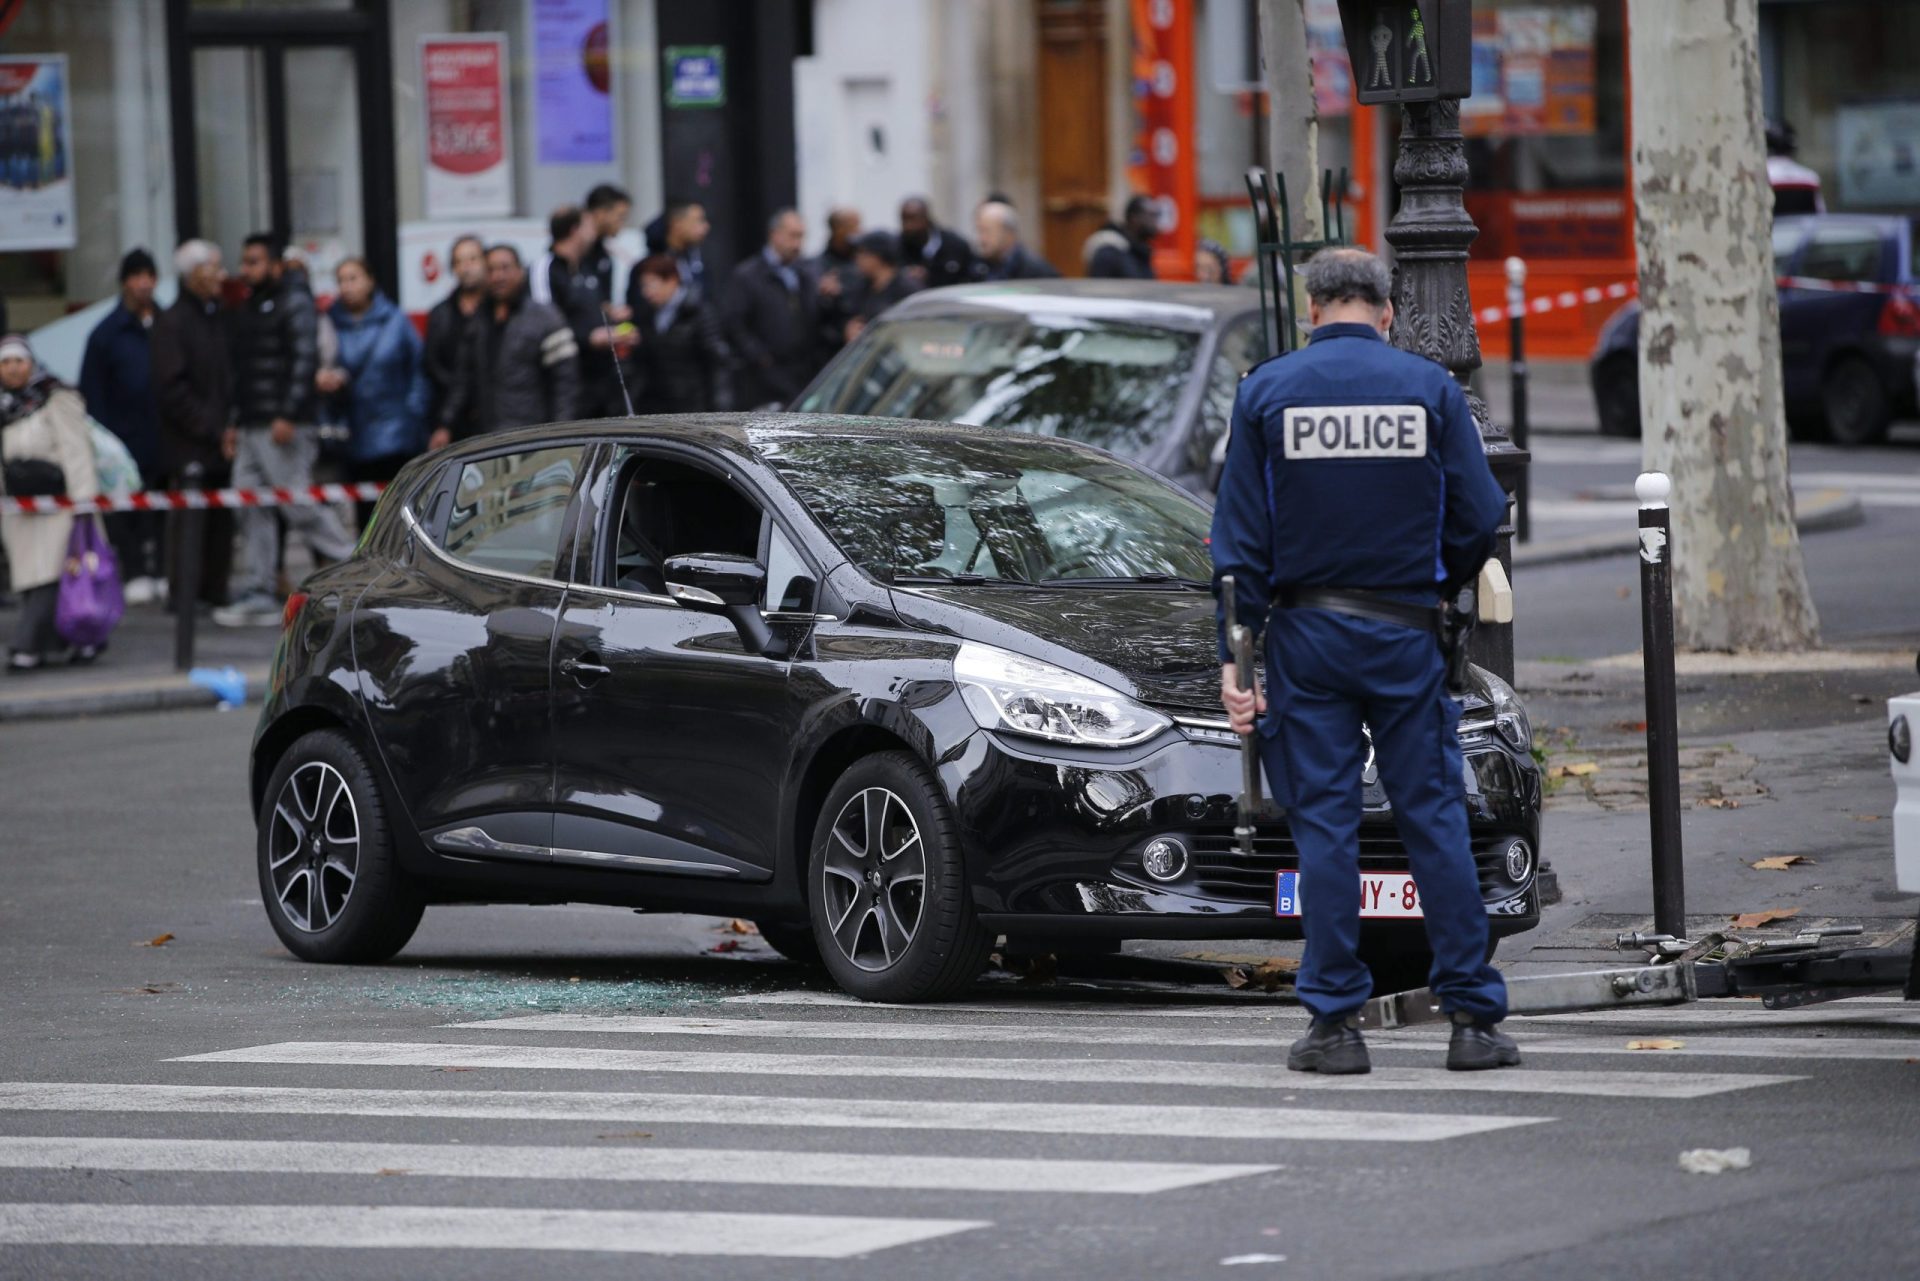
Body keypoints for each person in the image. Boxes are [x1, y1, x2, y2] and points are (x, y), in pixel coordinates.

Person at [1210, 248, 1516, 1076]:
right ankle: (1473, 1019)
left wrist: (1238, 659)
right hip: (1406, 632)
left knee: (1325, 827)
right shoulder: (1430, 390)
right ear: (1386, 313)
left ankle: (1336, 1024)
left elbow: (1239, 549)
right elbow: (1481, 515)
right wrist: (1437, 585)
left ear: (1313, 309)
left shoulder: (1266, 392)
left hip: (1307, 635)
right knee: (1433, 819)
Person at [216, 233, 357, 627]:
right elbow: (242, 372)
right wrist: (234, 422)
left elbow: (303, 359)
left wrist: (289, 414)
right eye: (245, 261)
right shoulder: (250, 306)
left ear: (276, 265)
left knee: (298, 504)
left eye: (255, 261)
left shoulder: (295, 303)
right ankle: (259, 589)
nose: (247, 270)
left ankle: (359, 567)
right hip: (251, 425)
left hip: (283, 425)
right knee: (250, 503)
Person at [0, 334, 103, 670]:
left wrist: (84, 503)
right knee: (35, 582)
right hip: (19, 509)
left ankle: (26, 646)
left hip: (59, 508)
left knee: (50, 578)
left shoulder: (56, 397)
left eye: (19, 361)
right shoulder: (4, 406)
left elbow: (77, 451)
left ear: (31, 363)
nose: (13, 369)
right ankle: (77, 642)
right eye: (5, 362)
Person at [148, 238, 235, 613]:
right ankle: (185, 595)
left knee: (220, 521)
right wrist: (212, 428)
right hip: (189, 442)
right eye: (214, 267)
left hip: (220, 439)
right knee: (189, 521)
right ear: (195, 274)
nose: (222, 275)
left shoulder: (217, 316)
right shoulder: (173, 323)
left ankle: (214, 590)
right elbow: (173, 389)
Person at [79, 247, 165, 602]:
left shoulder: (166, 323)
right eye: (136, 276)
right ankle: (135, 572)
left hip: (162, 436)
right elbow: (92, 392)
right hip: (121, 439)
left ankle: (162, 570)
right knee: (123, 512)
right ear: (124, 282)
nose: (143, 284)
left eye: (149, 276)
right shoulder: (106, 334)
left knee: (162, 510)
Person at [319, 257, 428, 526]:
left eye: (353, 278)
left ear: (370, 281)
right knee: (365, 520)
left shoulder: (395, 321)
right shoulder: (328, 325)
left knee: (398, 517)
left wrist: (413, 416)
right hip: (353, 434)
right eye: (341, 280)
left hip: (396, 433)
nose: (347, 286)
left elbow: (419, 371)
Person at [442, 244, 581, 437]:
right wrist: (445, 424)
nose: (498, 276)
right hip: (487, 439)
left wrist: (561, 435)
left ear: (520, 271)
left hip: (533, 437)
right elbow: (463, 379)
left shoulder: (546, 318)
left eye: (505, 268)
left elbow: (566, 385)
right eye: (491, 270)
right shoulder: (478, 322)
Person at [533, 204, 630, 417]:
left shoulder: (587, 267)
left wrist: (615, 324)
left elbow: (593, 310)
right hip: (568, 379)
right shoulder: (545, 267)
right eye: (588, 225)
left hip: (601, 376)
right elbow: (544, 323)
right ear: (574, 230)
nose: (594, 231)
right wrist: (588, 338)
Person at [723, 209, 821, 409]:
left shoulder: (806, 272)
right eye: (792, 236)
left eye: (801, 236)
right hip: (765, 378)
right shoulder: (748, 275)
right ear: (774, 235)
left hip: (803, 372)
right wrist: (759, 356)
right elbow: (734, 322)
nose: (797, 244)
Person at [629, 254, 729, 415]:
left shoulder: (698, 312)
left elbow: (716, 361)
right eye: (643, 286)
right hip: (657, 406)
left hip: (694, 406)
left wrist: (719, 406)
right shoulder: (646, 315)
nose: (646, 292)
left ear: (671, 280)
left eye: (651, 285)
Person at [424, 235, 486, 449]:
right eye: (459, 262)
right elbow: (432, 363)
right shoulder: (441, 313)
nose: (466, 267)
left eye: (472, 259)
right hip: (452, 417)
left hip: (490, 413)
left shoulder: (497, 310)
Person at [842, 230, 920, 345]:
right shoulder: (862, 288)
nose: (857, 258)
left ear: (878, 257)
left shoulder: (908, 291)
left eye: (862, 253)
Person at [807, 206, 865, 353]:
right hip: (831, 349)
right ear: (838, 230)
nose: (859, 232)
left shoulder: (865, 262)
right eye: (853, 226)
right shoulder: (816, 267)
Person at [971, 201, 1060, 281]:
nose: (981, 239)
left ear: (1007, 232)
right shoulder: (978, 266)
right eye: (979, 231)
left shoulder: (1037, 272)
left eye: (987, 231)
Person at [898, 196, 974, 288]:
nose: (908, 226)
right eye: (904, 220)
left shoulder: (954, 245)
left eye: (913, 219)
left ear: (926, 218)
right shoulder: (897, 247)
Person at [1084, 195, 1159, 279]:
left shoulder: (1140, 253)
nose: (1155, 222)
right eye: (1151, 215)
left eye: (1157, 215)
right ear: (1134, 218)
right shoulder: (1108, 252)